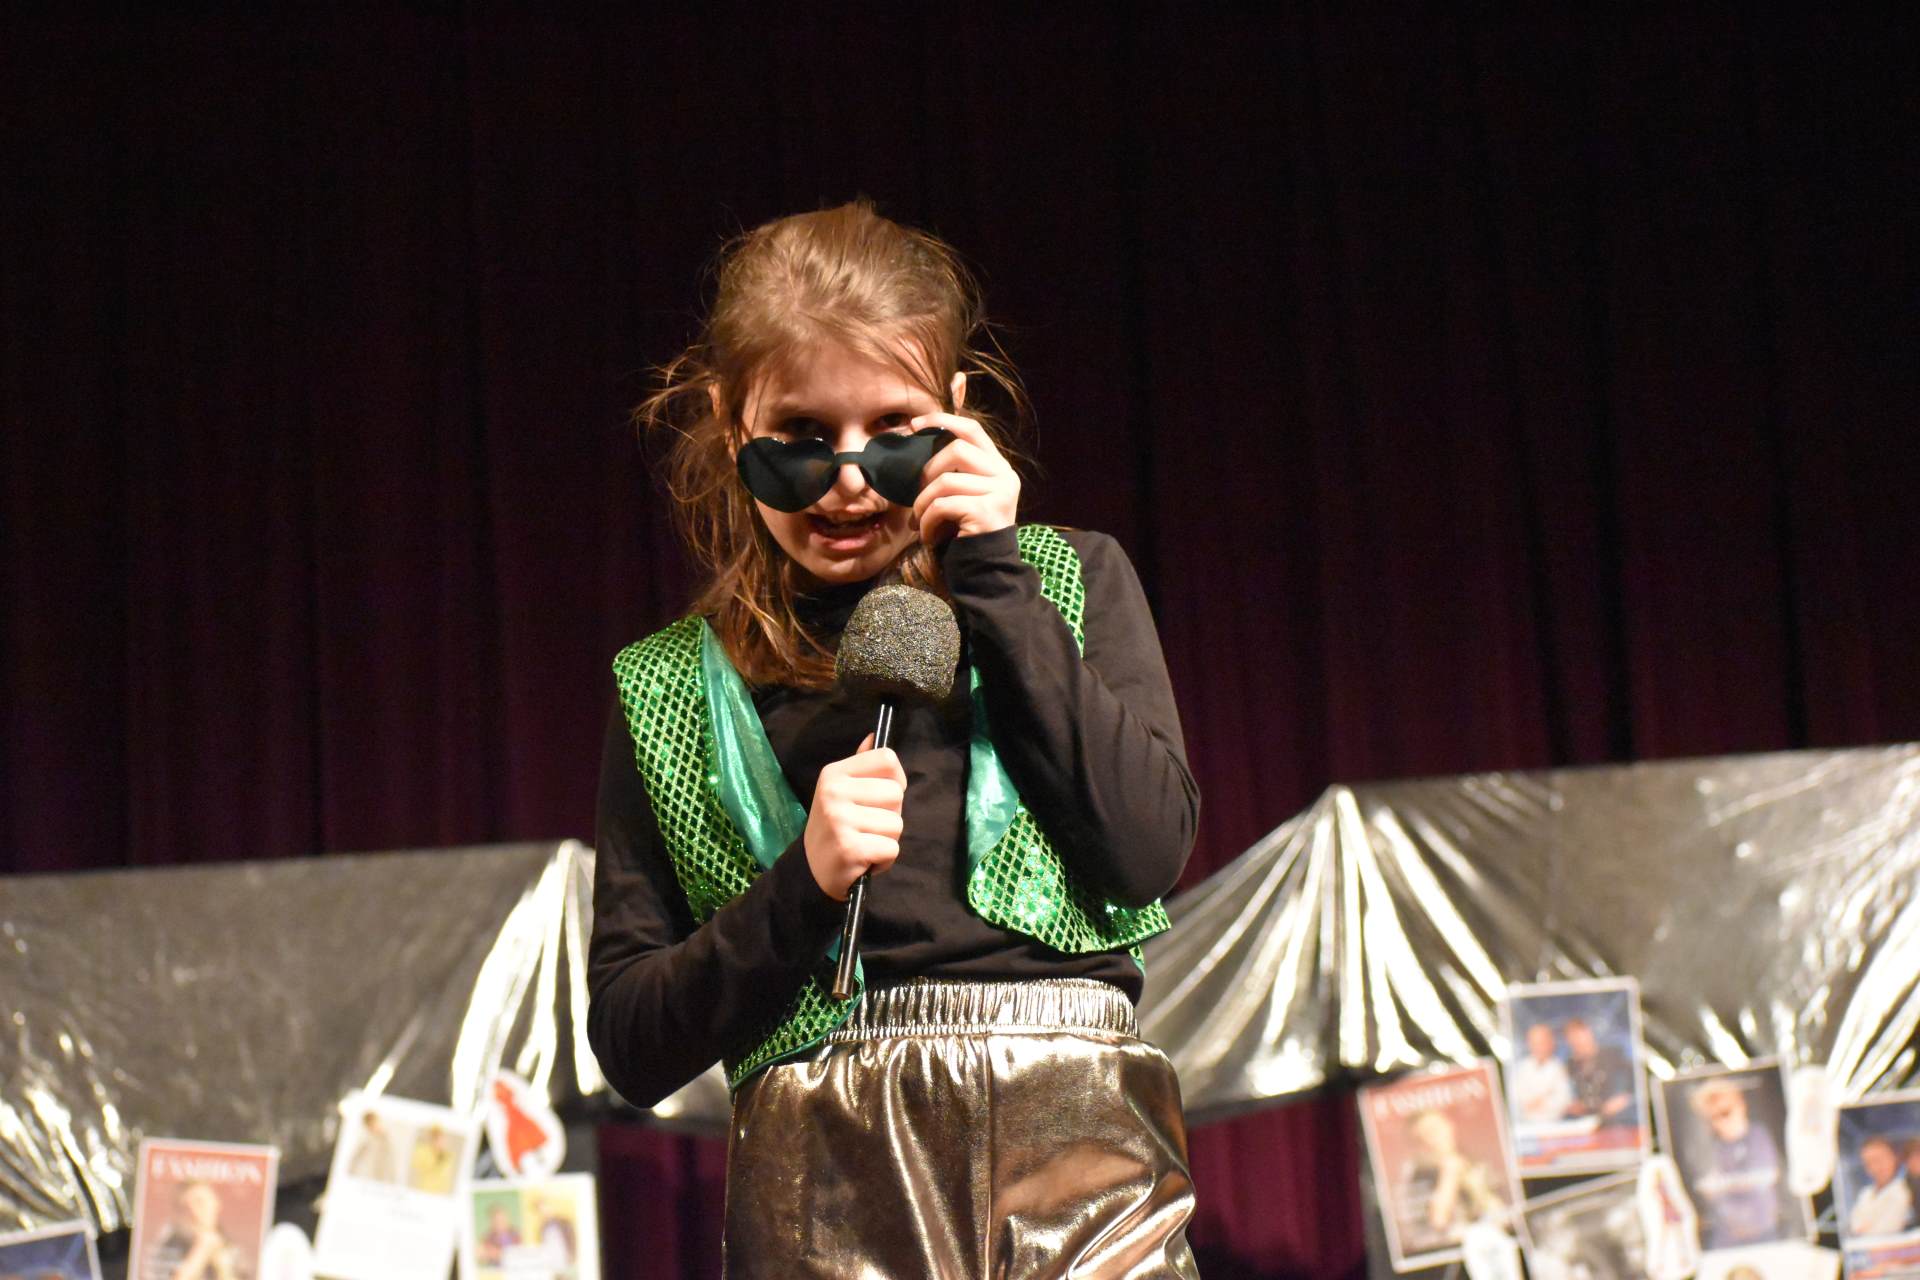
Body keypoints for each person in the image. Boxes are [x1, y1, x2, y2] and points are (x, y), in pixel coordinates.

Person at [587, 200, 1199, 1277]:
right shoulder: (672, 689)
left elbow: (1146, 850)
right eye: (801, 439)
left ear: (957, 413)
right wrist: (803, 884)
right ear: (732, 424)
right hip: (828, 1177)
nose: (850, 479)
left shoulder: (1068, 580)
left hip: (1079, 1149)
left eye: (893, 430)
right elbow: (633, 1042)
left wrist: (995, 576)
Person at [1685, 1079, 1786, 1249]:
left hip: (1763, 1233)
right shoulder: (1714, 1148)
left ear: (1741, 1106)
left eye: (1725, 1113)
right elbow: (1705, 1184)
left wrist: (1723, 1185)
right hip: (1727, 1236)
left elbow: (1766, 1176)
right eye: (1712, 1118)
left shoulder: (1759, 1136)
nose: (1720, 1122)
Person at [1397, 1110, 1505, 1253]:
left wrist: (1476, 1188)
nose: (1431, 1140)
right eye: (1421, 1138)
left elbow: (1501, 1215)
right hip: (1449, 1250)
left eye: (1433, 1131)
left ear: (1449, 1127)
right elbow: (1439, 1222)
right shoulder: (1417, 1176)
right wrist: (1449, 1173)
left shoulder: (1476, 1163)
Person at [142, 1180, 244, 1280]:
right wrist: (201, 1249)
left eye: (200, 1202)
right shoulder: (169, 1245)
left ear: (216, 1204)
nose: (194, 1211)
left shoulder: (231, 1246)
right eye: (186, 1207)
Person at [1563, 1018, 1635, 1129]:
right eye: (1574, 1044)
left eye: (1581, 1041)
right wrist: (1575, 1105)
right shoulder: (1571, 1065)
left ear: (1589, 1035)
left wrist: (1624, 1098)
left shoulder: (1612, 1054)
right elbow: (1570, 1096)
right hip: (1586, 1121)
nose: (1579, 1047)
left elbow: (1635, 1079)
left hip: (1615, 1118)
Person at [1847, 1136, 1913, 1237]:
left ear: (1894, 1158)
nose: (1875, 1167)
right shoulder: (1866, 1193)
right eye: (1868, 1163)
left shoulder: (1903, 1190)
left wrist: (1866, 1228)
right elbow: (1854, 1226)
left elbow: (1887, 1229)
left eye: (1879, 1160)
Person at [1513, 1022, 1574, 1125]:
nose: (1538, 1047)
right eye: (1534, 1043)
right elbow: (1518, 1100)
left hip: (1555, 1124)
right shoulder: (1521, 1068)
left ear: (1551, 1043)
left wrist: (1539, 1103)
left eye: (1542, 1042)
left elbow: (1563, 1100)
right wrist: (1546, 1096)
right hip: (1525, 1125)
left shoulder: (1558, 1068)